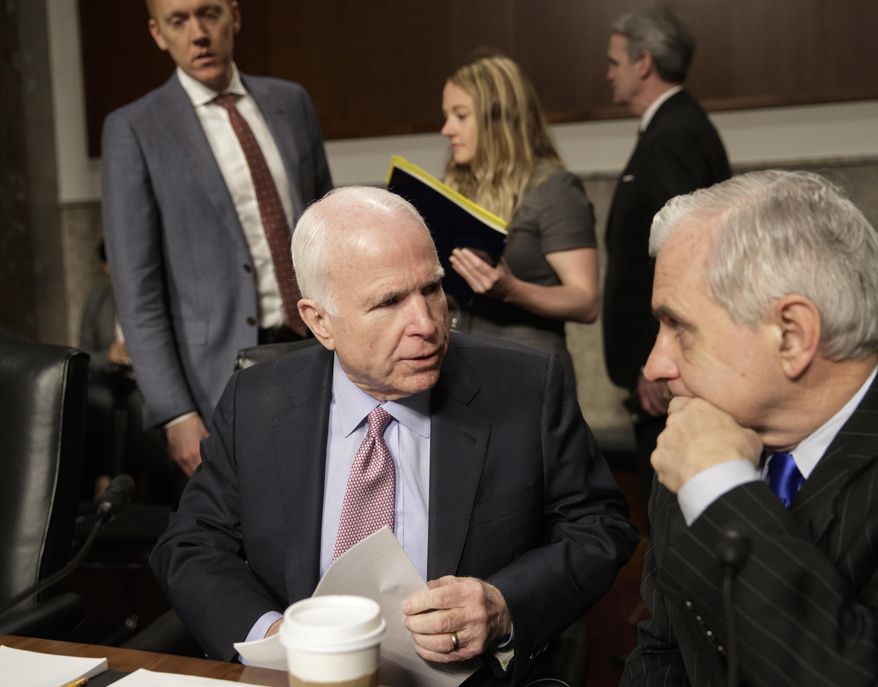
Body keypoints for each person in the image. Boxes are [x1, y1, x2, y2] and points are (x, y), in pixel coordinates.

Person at [151, 187, 638, 685]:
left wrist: (503, 605)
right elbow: (191, 544)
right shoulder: (256, 401)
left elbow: (599, 526)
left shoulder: (526, 387)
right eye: (389, 301)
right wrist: (276, 639)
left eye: (432, 289)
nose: (426, 324)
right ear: (320, 322)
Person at [620, 170, 878, 686]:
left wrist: (722, 490)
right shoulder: (697, 440)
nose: (654, 365)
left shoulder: (705, 469)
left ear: (791, 336)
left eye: (679, 327)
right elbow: (663, 652)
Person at [101, 0, 332, 482]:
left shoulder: (290, 102)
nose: (198, 34)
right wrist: (175, 413)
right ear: (157, 34)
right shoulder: (134, 128)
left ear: (235, 16)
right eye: (178, 21)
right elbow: (136, 288)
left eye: (208, 14)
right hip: (215, 377)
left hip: (317, 347)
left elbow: (326, 231)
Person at [601, 7, 731, 517]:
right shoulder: (669, 128)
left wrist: (663, 358)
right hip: (658, 371)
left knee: (673, 522)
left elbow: (688, 256)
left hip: (666, 378)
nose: (608, 73)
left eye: (614, 61)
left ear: (643, 63)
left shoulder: (675, 135)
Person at [440, 54, 599, 382]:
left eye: (460, 116)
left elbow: (586, 302)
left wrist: (512, 289)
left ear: (498, 118)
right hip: (462, 362)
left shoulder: (554, 188)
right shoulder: (457, 185)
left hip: (528, 369)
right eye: (446, 116)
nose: (446, 129)